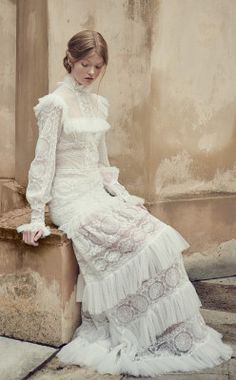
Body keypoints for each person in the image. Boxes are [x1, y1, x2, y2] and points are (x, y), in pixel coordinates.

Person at [16, 30, 232, 377]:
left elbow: (101, 163)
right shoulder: (54, 104)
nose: (91, 72)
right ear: (70, 58)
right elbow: (44, 162)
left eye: (98, 66)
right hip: (71, 200)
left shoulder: (97, 104)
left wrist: (122, 195)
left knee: (160, 237)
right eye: (85, 64)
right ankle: (135, 331)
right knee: (137, 244)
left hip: (96, 194)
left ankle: (171, 335)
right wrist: (37, 215)